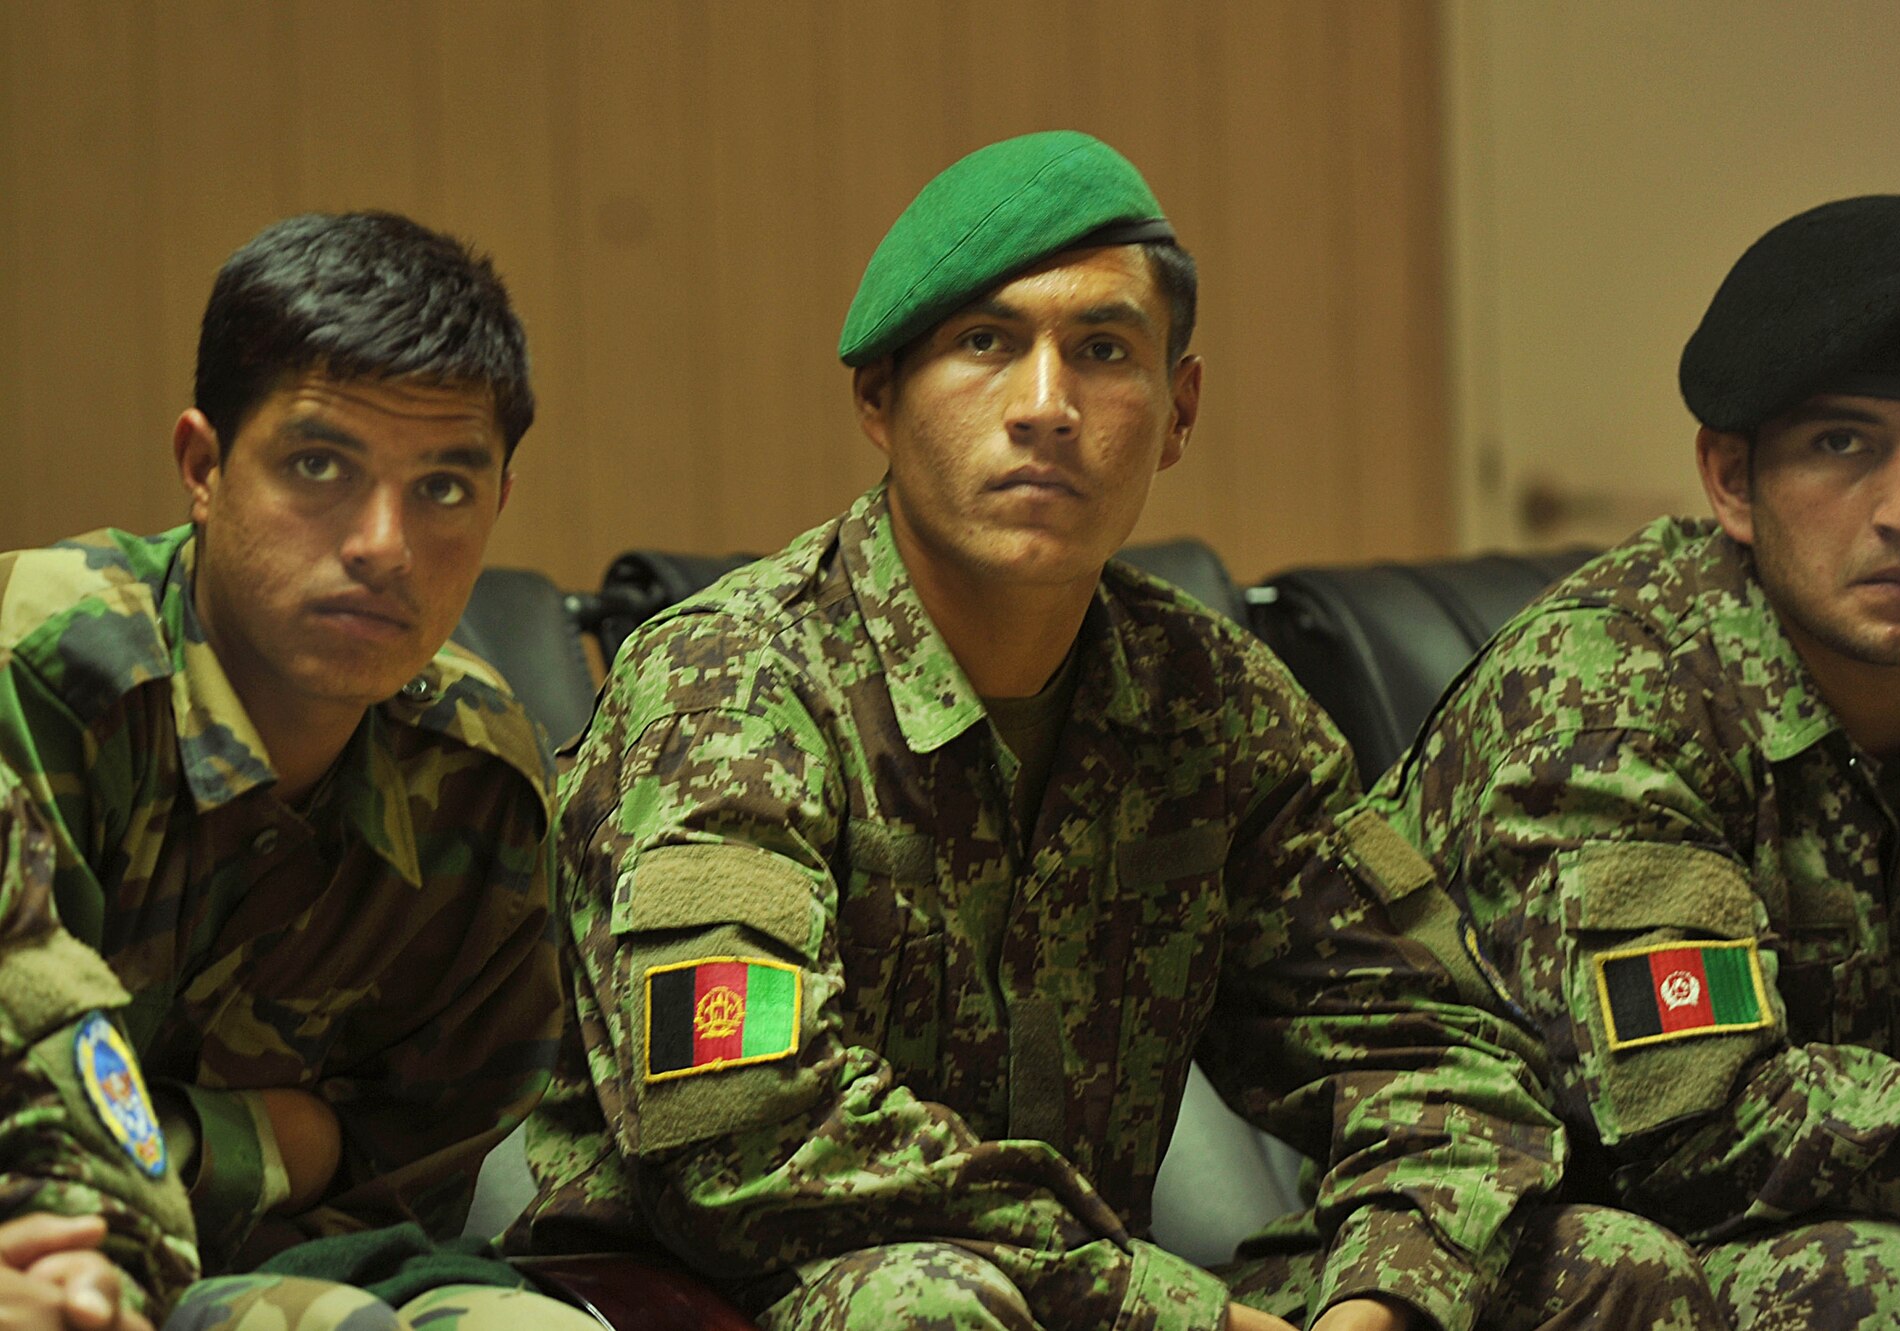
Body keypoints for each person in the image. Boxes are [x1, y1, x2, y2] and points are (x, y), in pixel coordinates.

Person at [510, 130, 1723, 1331]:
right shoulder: (730, 682)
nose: (1045, 406)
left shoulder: (1209, 703)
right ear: (878, 399)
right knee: (923, 1306)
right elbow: (742, 1138)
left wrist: (1382, 1298)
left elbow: (1437, 1053)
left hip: (1077, 1296)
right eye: (985, 344)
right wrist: (1177, 1314)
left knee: (1598, 1265)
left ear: (1177, 408)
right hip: (723, 1288)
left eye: (1100, 351)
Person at [1374, 193, 1900, 1328]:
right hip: (1493, 1251)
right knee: (1873, 1284)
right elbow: (1695, 1127)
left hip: (1841, 1220)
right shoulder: (1600, 698)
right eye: (1841, 443)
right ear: (1728, 479)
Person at [0, 211, 591, 1330]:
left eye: (445, 488)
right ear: (204, 465)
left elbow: (409, 1168)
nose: (382, 541)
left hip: (303, 1263)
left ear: (499, 503)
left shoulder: (477, 772)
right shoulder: (37, 681)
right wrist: (275, 1136)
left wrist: (221, 1159)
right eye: (319, 465)